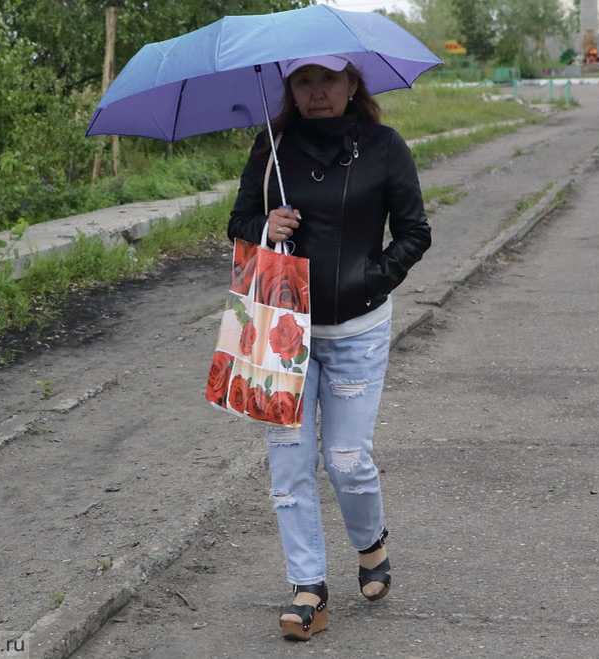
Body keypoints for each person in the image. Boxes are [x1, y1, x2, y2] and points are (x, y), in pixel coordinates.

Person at [227, 54, 431, 641]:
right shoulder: (271, 148)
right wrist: (267, 227)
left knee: (347, 460)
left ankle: (370, 544)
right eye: (304, 81)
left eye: (329, 80)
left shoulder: (384, 146)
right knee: (289, 464)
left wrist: (372, 278)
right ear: (291, 89)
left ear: (351, 84)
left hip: (357, 331)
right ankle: (308, 588)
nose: (317, 92)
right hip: (282, 329)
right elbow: (237, 221)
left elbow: (416, 231)